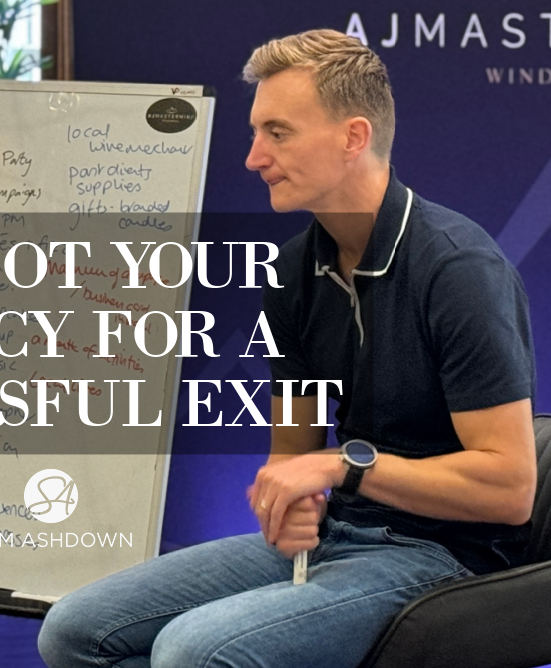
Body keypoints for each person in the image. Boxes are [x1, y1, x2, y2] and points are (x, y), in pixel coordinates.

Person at [38, 29, 537, 668]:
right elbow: (292, 458)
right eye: (256, 133)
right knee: (74, 631)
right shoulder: (293, 273)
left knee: (189, 653)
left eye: (278, 133)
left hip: (444, 557)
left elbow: (511, 488)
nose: (252, 158)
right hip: (338, 538)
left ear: (353, 138)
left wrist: (343, 467)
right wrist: (293, 503)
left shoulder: (458, 268)